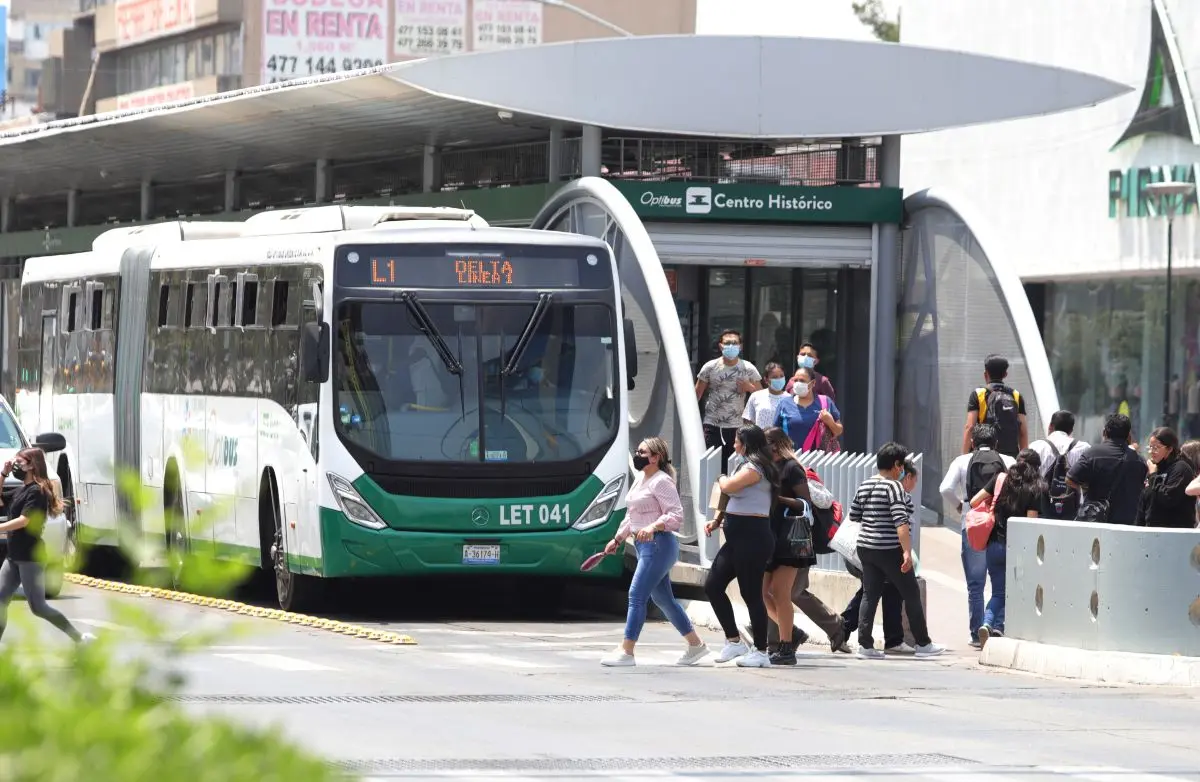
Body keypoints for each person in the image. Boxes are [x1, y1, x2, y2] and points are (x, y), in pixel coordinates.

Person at [602, 438, 709, 667]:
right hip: (644, 546)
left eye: (643, 451)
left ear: (655, 457)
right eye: (638, 450)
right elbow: (632, 515)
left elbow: (676, 515)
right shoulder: (641, 478)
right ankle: (696, 645)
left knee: (636, 595)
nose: (638, 454)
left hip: (658, 544)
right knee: (663, 599)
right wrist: (618, 538)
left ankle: (627, 651)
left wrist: (654, 526)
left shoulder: (662, 482)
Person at [852, 442, 945, 659]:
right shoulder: (894, 487)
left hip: (866, 547)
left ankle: (865, 645)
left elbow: (855, 515)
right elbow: (901, 522)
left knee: (870, 594)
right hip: (888, 548)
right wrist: (906, 552)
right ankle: (923, 644)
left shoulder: (865, 484)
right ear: (896, 465)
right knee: (911, 593)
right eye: (901, 466)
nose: (902, 470)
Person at [703, 424, 777, 668]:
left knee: (751, 594)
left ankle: (761, 651)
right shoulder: (743, 465)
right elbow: (728, 497)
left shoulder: (757, 468)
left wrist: (722, 478)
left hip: (753, 537)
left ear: (746, 443)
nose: (733, 445)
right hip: (736, 538)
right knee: (713, 585)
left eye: (736, 441)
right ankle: (733, 640)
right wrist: (717, 520)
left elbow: (728, 487)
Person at [0, 448, 92, 645]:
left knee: (38, 607)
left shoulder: (38, 492)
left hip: (30, 556)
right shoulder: (21, 490)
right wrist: (3, 474)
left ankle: (80, 638)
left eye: (19, 462)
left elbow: (25, 520)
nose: (16, 465)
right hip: (14, 556)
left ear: (32, 465)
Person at [938, 423, 1014, 648]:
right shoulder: (1008, 461)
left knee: (975, 584)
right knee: (1000, 583)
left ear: (972, 443)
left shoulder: (962, 461)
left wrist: (961, 507)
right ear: (996, 444)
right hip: (1000, 528)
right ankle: (997, 626)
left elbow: (945, 488)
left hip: (973, 526)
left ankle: (975, 633)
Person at [967, 448, 1045, 648]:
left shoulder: (1001, 479)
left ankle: (994, 625)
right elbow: (1030, 523)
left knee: (998, 591)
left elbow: (974, 501)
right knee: (1014, 592)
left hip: (994, 544)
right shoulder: (1036, 488)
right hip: (1017, 548)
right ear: (1036, 467)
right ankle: (996, 625)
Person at [760, 427, 815, 665]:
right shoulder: (766, 467)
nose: (763, 447)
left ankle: (786, 649)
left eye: (767, 442)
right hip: (769, 536)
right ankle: (792, 633)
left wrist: (778, 498)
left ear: (776, 443)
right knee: (760, 593)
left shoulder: (792, 468)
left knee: (781, 593)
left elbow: (805, 503)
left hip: (789, 539)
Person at [695, 330, 762, 473]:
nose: (731, 346)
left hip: (736, 426)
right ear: (720, 346)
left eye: (734, 343)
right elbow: (697, 395)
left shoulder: (748, 368)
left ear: (740, 346)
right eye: (727, 343)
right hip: (712, 424)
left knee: (733, 465)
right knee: (711, 465)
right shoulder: (710, 367)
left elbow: (762, 397)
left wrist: (748, 387)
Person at [1068, 413, 1147, 525]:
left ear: (1104, 432)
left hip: (1096, 519)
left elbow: (1070, 479)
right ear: (1129, 436)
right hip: (1128, 523)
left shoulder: (1093, 453)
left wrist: (1085, 487)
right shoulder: (1140, 461)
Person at [962, 354, 1028, 458]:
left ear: (985, 374)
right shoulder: (1016, 395)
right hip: (1010, 456)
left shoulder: (979, 394)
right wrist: (1023, 460)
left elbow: (970, 427)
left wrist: (964, 457)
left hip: (984, 456)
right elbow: (1023, 432)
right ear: (1005, 374)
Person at [1029, 410, 1089, 520]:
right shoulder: (1084, 448)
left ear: (1050, 426)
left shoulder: (1035, 446)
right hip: (1074, 514)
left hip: (1041, 513)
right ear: (1071, 430)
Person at [1136, 427, 1197, 529]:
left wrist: (1153, 477)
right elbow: (1144, 503)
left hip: (1173, 534)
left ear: (1169, 449)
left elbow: (1168, 498)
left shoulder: (1180, 469)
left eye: (1156, 448)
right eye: (1150, 447)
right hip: (1150, 532)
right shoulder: (1155, 469)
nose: (1151, 451)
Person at [774, 366, 843, 452]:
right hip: (792, 458)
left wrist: (830, 422)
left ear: (813, 383)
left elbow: (838, 430)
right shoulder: (784, 403)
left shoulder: (825, 402)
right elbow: (776, 433)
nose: (798, 383)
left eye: (802, 381)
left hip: (819, 460)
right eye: (795, 380)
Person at [743, 362, 789, 430]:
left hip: (781, 439)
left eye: (781, 376)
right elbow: (748, 420)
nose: (779, 379)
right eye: (774, 377)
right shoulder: (756, 396)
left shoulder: (789, 398)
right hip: (759, 439)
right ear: (766, 380)